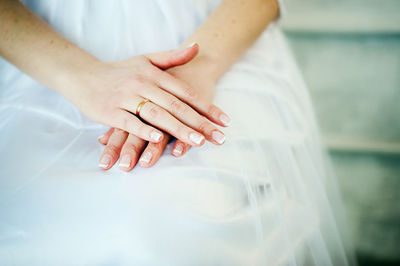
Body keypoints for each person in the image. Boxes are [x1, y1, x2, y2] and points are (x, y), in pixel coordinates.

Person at [0, 0, 355, 265]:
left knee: (177, 223)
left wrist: (197, 67)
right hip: (42, 54)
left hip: (219, 38)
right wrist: (82, 76)